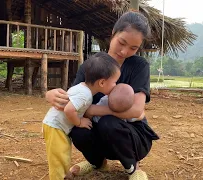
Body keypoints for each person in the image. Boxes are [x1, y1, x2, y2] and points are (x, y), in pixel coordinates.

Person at [46, 11, 159, 180]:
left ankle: (134, 168)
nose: (124, 51)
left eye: (133, 48)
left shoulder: (139, 66)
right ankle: (97, 163)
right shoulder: (91, 65)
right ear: (113, 32)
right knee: (78, 129)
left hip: (132, 136)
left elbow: (136, 111)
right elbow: (73, 102)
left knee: (109, 123)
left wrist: (92, 110)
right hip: (100, 133)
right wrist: (49, 94)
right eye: (122, 42)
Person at [42, 52, 121, 180]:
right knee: (58, 156)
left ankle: (64, 174)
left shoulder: (83, 88)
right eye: (114, 82)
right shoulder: (85, 94)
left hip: (59, 127)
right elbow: (69, 110)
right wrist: (79, 122)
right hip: (56, 127)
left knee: (63, 153)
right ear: (102, 82)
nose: (115, 85)